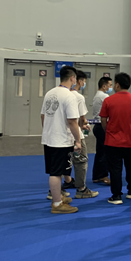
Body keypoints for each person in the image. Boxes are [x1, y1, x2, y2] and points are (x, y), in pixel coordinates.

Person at [99, 73, 131, 205]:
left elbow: (103, 119)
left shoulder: (108, 100)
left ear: (117, 85)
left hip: (112, 141)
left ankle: (116, 195)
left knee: (115, 169)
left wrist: (108, 131)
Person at [41, 66, 81, 214]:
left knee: (56, 171)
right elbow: (72, 121)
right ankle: (57, 203)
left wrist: (48, 131)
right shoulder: (69, 96)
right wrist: (78, 140)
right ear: (72, 78)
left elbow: (43, 116)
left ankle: (57, 197)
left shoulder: (49, 93)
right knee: (57, 172)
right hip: (61, 139)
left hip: (49, 138)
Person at [68, 70, 98, 199]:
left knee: (63, 161)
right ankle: (81, 189)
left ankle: (56, 190)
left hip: (63, 135)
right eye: (84, 81)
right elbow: (81, 119)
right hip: (75, 135)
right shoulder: (78, 97)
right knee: (81, 161)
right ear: (79, 81)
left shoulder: (62, 94)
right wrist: (84, 125)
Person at [92, 77, 112, 184]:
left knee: (99, 152)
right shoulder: (104, 96)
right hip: (102, 126)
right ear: (104, 86)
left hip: (97, 126)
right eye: (110, 85)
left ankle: (96, 176)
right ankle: (104, 175)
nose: (111, 87)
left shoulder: (97, 95)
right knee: (105, 152)